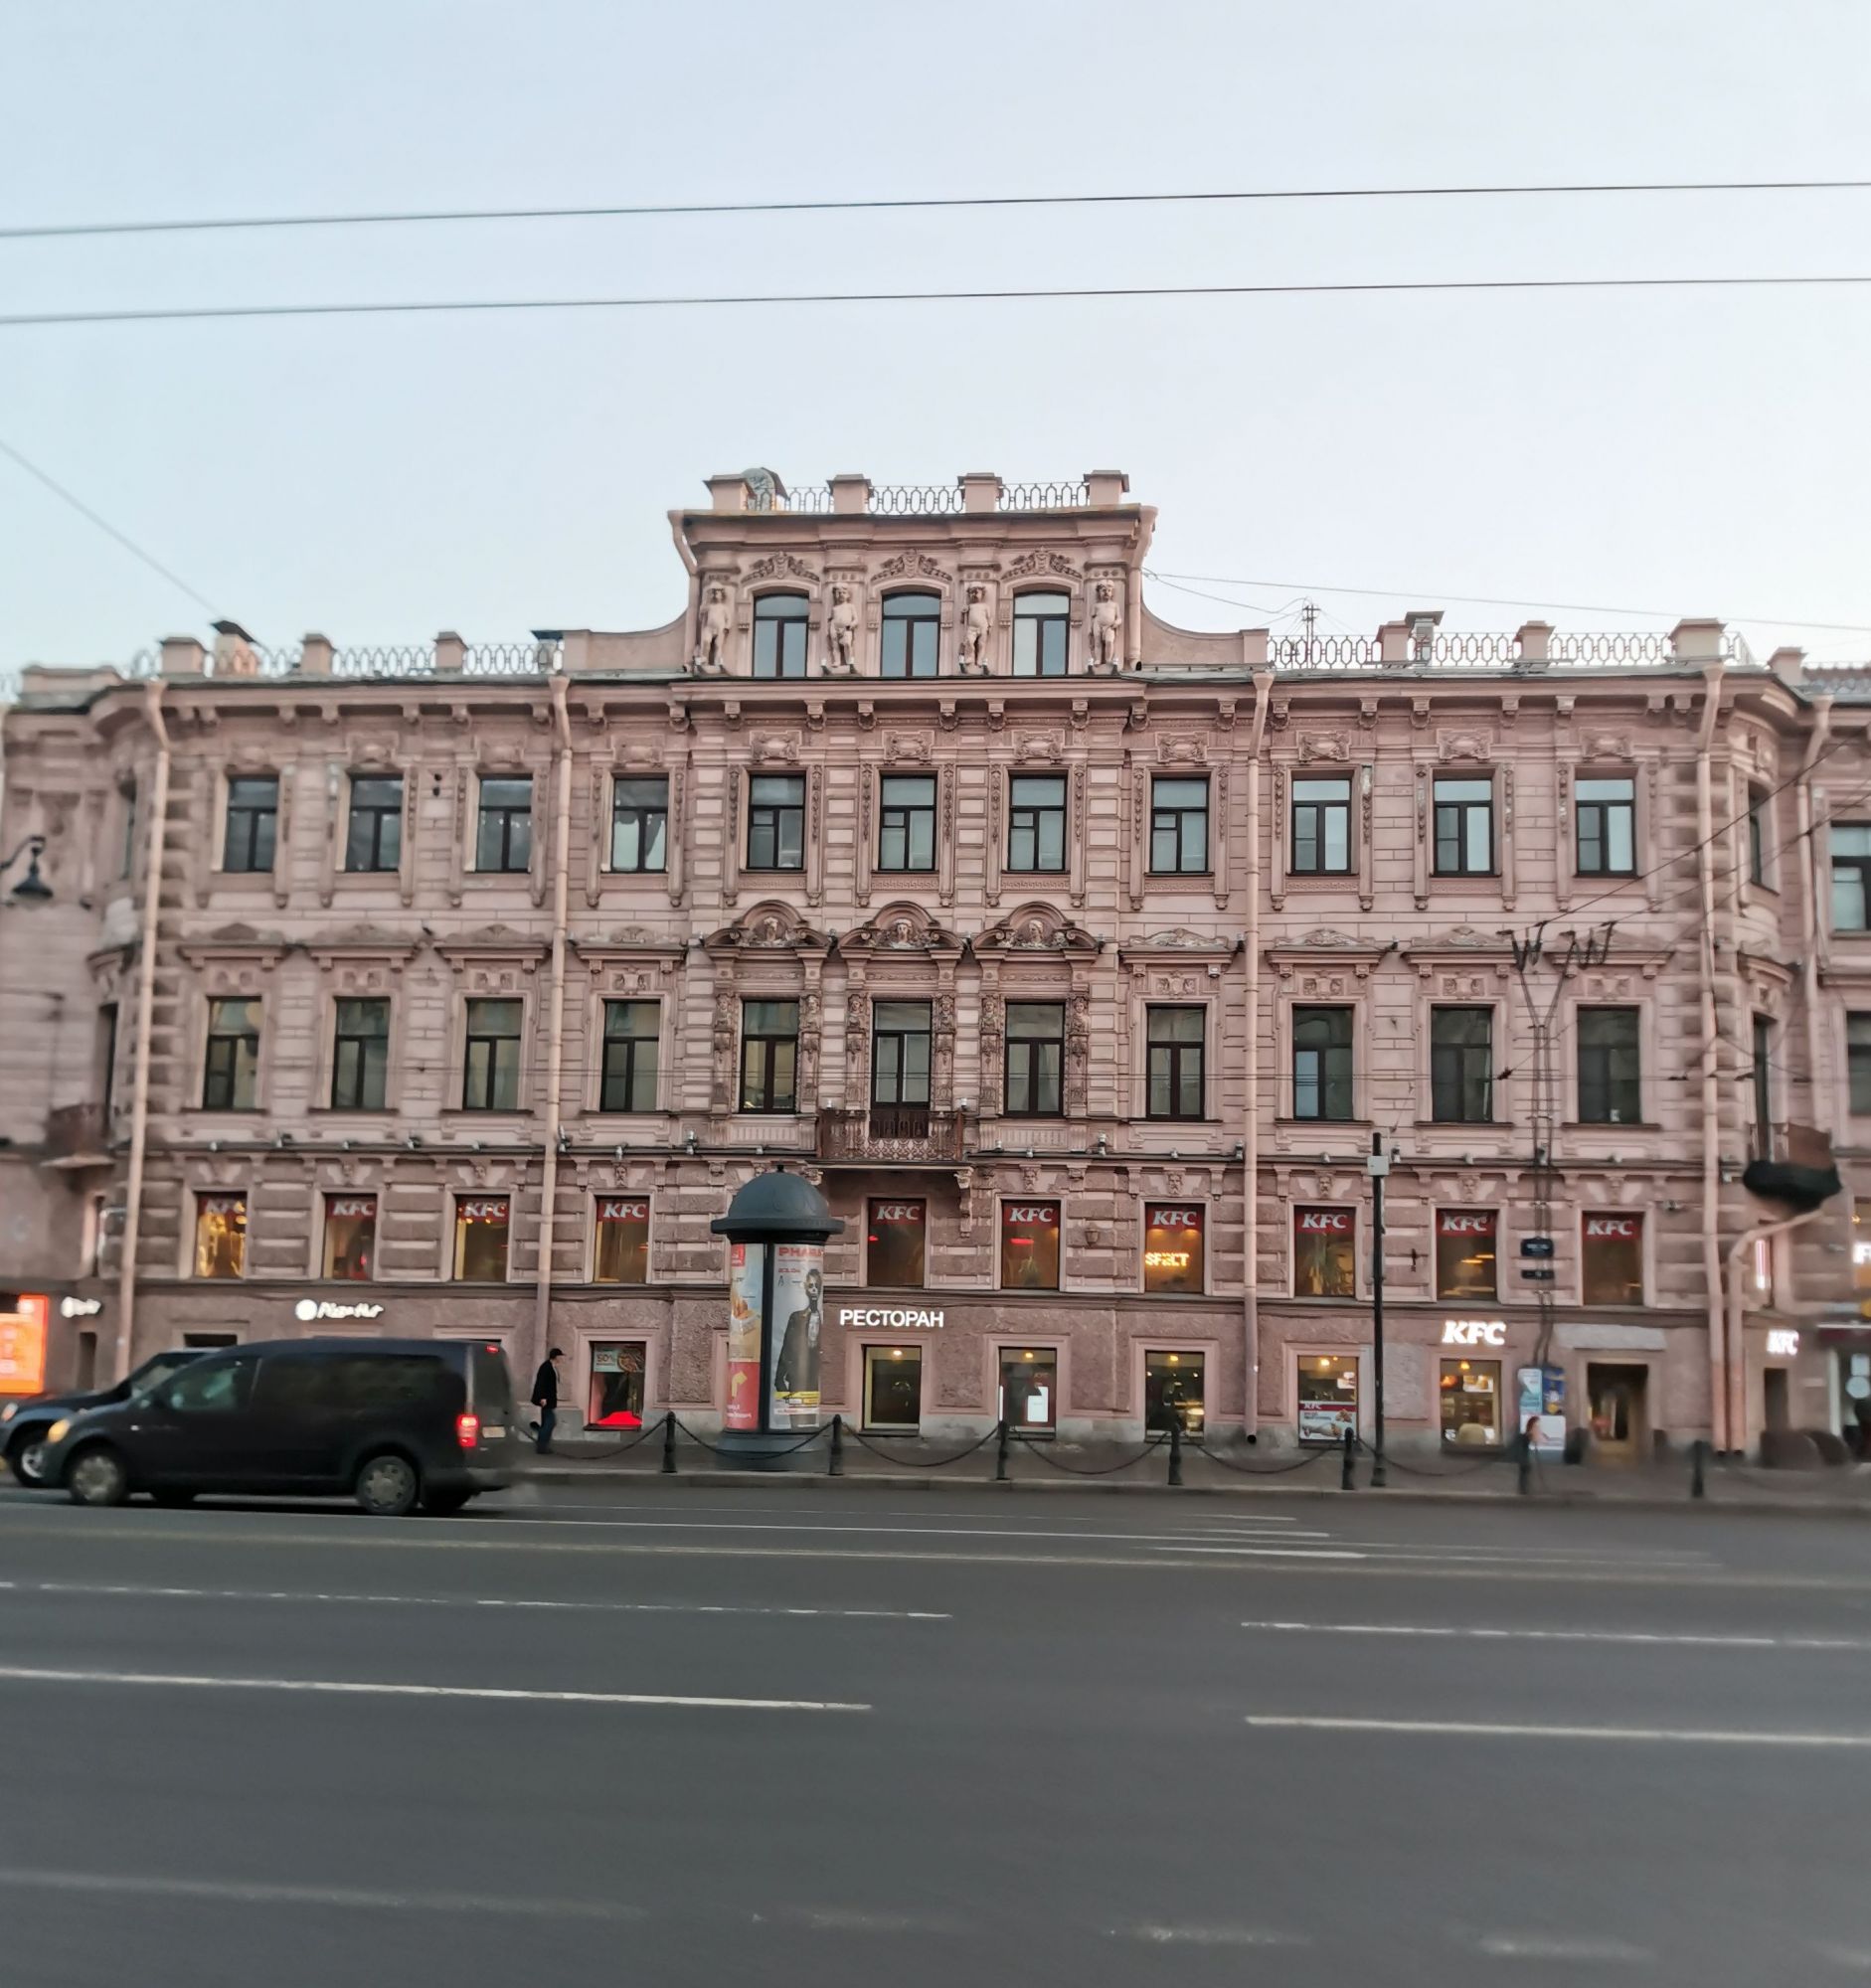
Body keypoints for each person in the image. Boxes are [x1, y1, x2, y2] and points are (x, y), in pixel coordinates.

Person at [531, 1347, 565, 1454]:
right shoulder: (546, 1367)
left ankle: (543, 1446)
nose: (562, 1358)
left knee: (547, 1423)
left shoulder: (552, 1366)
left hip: (550, 1399)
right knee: (550, 1423)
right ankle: (541, 1445)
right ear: (555, 1356)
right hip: (546, 1400)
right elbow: (541, 1383)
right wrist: (542, 1397)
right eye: (560, 1356)